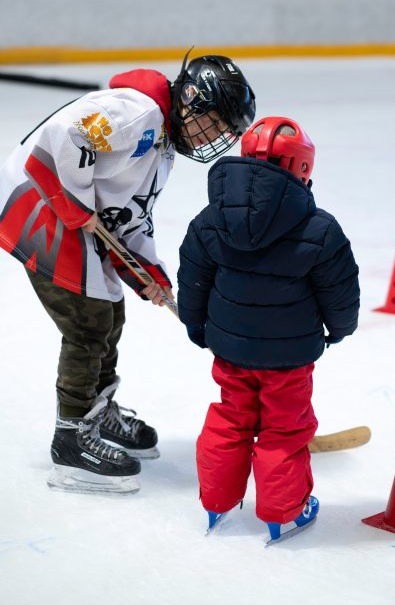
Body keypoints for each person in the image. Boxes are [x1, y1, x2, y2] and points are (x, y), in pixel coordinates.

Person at [0, 53, 256, 494]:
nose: (215, 135)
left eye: (223, 130)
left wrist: (148, 273)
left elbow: (127, 217)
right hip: (38, 203)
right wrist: (74, 203)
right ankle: (70, 439)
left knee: (112, 312)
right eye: (214, 122)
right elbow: (65, 137)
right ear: (191, 100)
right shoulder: (135, 112)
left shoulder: (163, 147)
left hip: (68, 213)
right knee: (88, 321)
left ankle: (95, 412)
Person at [177, 116, 360, 542]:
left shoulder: (210, 219)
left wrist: (195, 322)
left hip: (230, 351)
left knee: (230, 420)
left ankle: (215, 504)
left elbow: (194, 277)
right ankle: (285, 513)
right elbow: (340, 293)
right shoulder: (320, 230)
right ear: (302, 169)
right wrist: (340, 329)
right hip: (289, 360)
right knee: (284, 429)